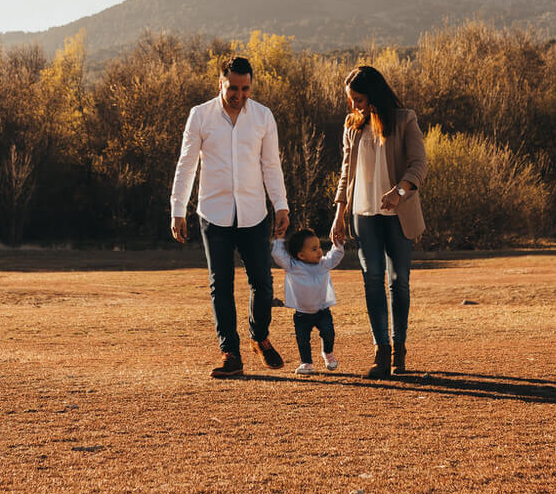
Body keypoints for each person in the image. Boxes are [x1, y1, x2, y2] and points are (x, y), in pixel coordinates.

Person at [171, 56, 291, 379]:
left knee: (263, 284)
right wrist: (177, 209)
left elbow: (271, 166)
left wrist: (281, 205)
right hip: (214, 214)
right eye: (233, 88)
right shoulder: (200, 116)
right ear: (220, 84)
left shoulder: (263, 117)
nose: (239, 95)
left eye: (245, 88)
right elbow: (186, 165)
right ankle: (230, 352)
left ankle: (259, 336)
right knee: (220, 285)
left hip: (254, 214)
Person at [329, 65, 428, 380]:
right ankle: (381, 352)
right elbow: (346, 172)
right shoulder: (352, 126)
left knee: (398, 282)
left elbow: (418, 164)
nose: (354, 105)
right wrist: (339, 215)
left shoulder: (404, 119)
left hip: (398, 214)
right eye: (351, 100)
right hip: (363, 213)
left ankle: (399, 349)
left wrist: (399, 192)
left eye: (358, 98)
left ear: (374, 94)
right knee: (372, 279)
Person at [271, 228, 345, 374]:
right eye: (314, 249)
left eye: (319, 247)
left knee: (329, 333)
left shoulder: (323, 264)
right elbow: (278, 255)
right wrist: (279, 240)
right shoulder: (293, 266)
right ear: (301, 255)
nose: (319, 251)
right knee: (303, 340)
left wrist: (338, 244)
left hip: (323, 311)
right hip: (302, 314)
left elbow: (335, 256)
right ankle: (306, 363)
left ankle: (328, 353)